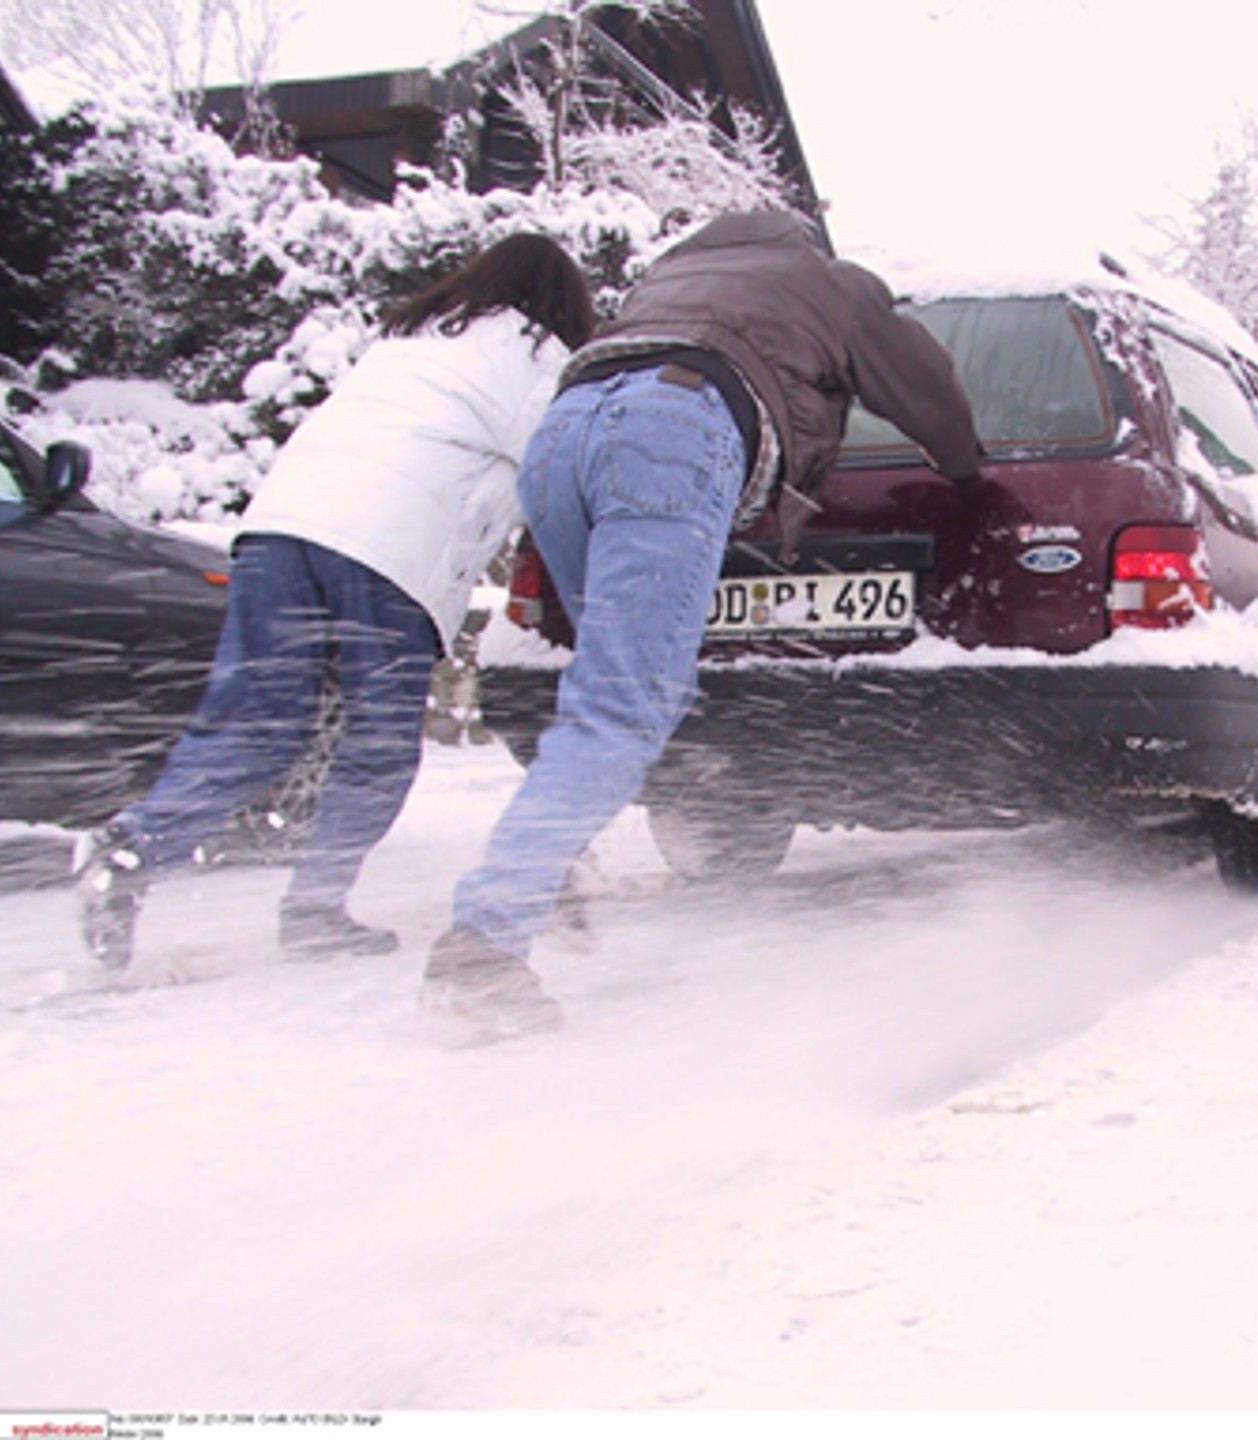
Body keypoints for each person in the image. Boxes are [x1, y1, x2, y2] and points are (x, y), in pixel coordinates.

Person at [421, 209, 984, 1038]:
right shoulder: (827, 282)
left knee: (600, 696)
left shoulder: (667, 281)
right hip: (672, 432)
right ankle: (486, 943)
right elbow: (924, 385)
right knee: (622, 709)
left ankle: (543, 871)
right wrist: (967, 465)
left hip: (563, 436)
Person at [76, 233, 595, 969]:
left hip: (279, 529)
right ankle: (316, 909)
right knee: (377, 748)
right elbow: (556, 474)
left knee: (257, 721)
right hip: (385, 553)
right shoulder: (535, 355)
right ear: (563, 304)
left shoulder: (408, 340)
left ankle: (134, 846)